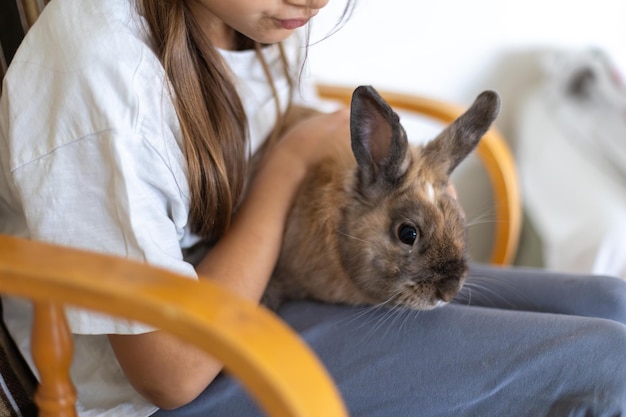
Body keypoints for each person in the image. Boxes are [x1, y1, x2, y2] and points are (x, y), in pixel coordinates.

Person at [0, 0, 625, 416]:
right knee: (607, 360)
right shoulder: (99, 74)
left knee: (609, 304)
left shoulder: (258, 16)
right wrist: (294, 163)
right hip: (174, 378)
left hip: (260, 293)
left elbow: (272, 127)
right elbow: (171, 373)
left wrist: (411, 178)